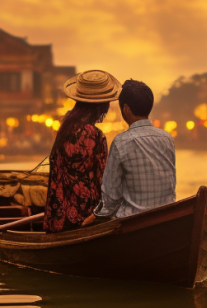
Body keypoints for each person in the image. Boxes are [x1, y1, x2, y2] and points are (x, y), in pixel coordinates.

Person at [43, 70, 117, 233]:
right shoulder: (95, 136)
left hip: (56, 219)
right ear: (101, 106)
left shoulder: (64, 128)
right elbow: (102, 180)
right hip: (85, 220)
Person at [93, 78, 177, 223]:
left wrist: (95, 216)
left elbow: (110, 198)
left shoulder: (121, 142)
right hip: (166, 218)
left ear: (125, 109)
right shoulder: (167, 138)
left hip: (133, 221)